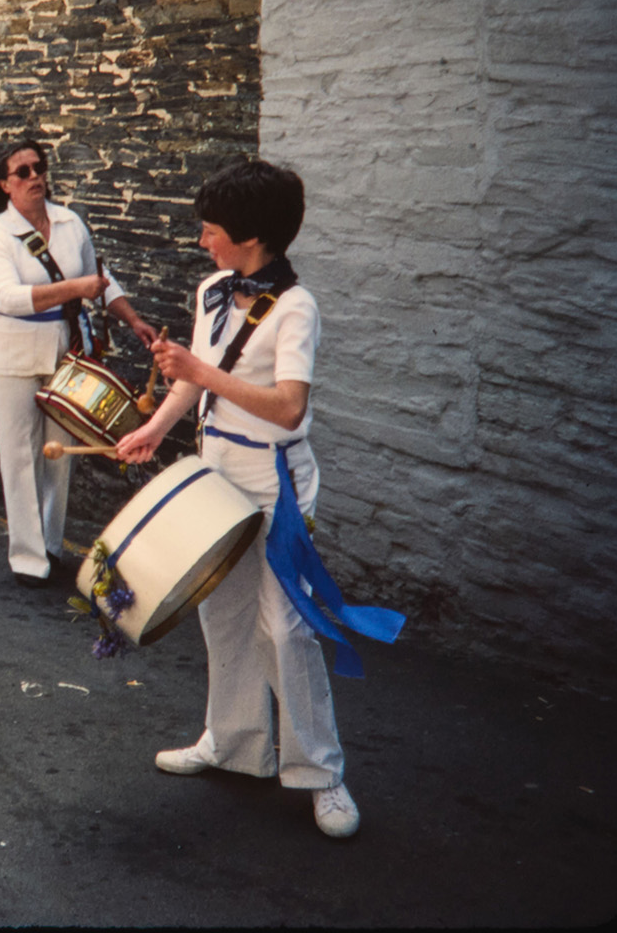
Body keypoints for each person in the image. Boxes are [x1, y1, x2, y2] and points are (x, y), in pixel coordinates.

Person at [116, 159, 402, 840]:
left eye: (211, 229)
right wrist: (155, 429)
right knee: (222, 611)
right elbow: (196, 382)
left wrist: (197, 368)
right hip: (216, 466)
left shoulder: (297, 308)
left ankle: (321, 773)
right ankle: (234, 742)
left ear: (249, 237)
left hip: (275, 478)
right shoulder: (213, 289)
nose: (202, 240)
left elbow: (288, 408)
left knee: (286, 626)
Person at [0, 141, 153, 587]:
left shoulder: (71, 224)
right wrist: (75, 288)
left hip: (65, 350)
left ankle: (51, 547)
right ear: (4, 185)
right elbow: (7, 298)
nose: (34, 176)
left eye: (39, 167)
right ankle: (28, 557)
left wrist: (133, 320)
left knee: (59, 453)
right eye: (22, 172)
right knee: (19, 453)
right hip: (11, 352)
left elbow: (101, 280)